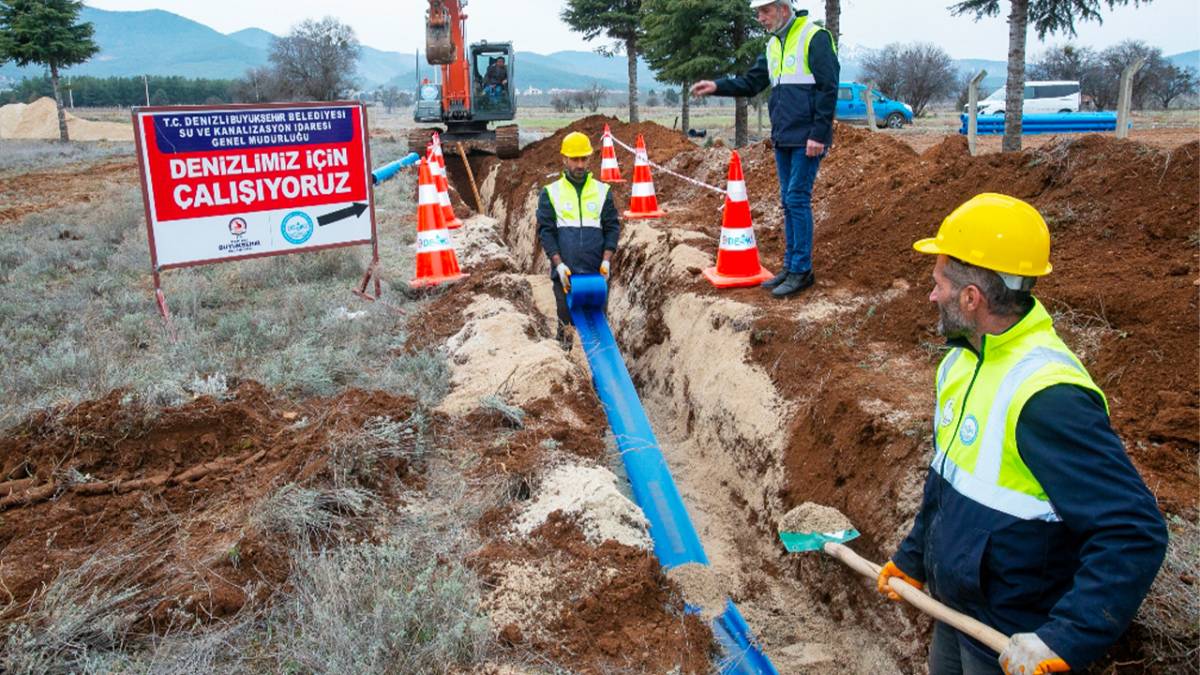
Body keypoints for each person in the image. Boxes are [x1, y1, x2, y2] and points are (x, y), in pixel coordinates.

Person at [877, 193, 1168, 675]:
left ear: (971, 298)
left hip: (1010, 639)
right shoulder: (962, 363)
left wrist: (1064, 638)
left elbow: (1133, 531)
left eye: (939, 284)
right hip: (955, 613)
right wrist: (914, 558)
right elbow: (948, 480)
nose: (932, 296)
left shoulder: (1047, 397)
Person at [690, 0, 838, 298]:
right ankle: (791, 266)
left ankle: (801, 270)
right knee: (788, 200)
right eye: (758, 12)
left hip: (808, 137)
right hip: (784, 136)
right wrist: (717, 86)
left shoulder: (814, 37)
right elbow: (752, 82)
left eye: (764, 11)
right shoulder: (773, 45)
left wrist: (819, 134)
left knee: (797, 198)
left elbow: (828, 87)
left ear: (783, 9)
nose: (760, 18)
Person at [536, 131, 620, 351]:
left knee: (596, 330)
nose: (580, 164)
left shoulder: (602, 192)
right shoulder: (551, 193)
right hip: (566, 276)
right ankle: (566, 371)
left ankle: (596, 374)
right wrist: (559, 265)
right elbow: (546, 232)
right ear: (565, 159)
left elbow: (612, 227)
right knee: (566, 328)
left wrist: (607, 261)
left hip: (596, 275)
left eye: (584, 158)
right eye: (575, 159)